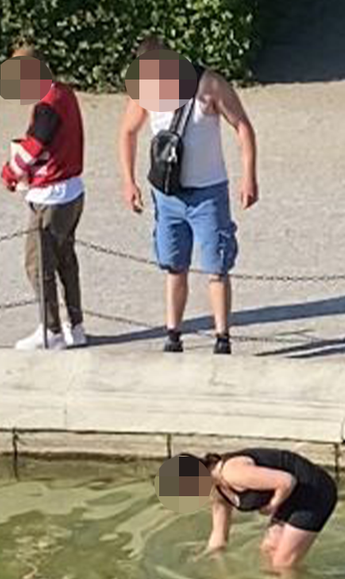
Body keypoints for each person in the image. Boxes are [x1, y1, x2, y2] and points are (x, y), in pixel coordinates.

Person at [117, 36, 258, 354]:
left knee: (216, 267)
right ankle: (173, 334)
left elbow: (243, 127)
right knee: (173, 266)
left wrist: (248, 177)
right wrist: (128, 181)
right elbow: (127, 131)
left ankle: (222, 338)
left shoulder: (209, 84)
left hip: (208, 192)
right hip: (167, 194)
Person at [0, 44, 88, 350]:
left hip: (52, 196)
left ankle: (51, 329)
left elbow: (34, 146)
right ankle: (75, 326)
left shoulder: (47, 105)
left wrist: (10, 172)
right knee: (66, 260)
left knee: (37, 264)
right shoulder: (65, 93)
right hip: (72, 192)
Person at [174, 448, 337, 571]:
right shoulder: (216, 490)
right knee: (268, 549)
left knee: (283, 564)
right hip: (290, 495)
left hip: (314, 491)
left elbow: (287, 481)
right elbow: (219, 536)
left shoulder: (232, 472)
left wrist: (271, 506)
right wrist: (208, 559)